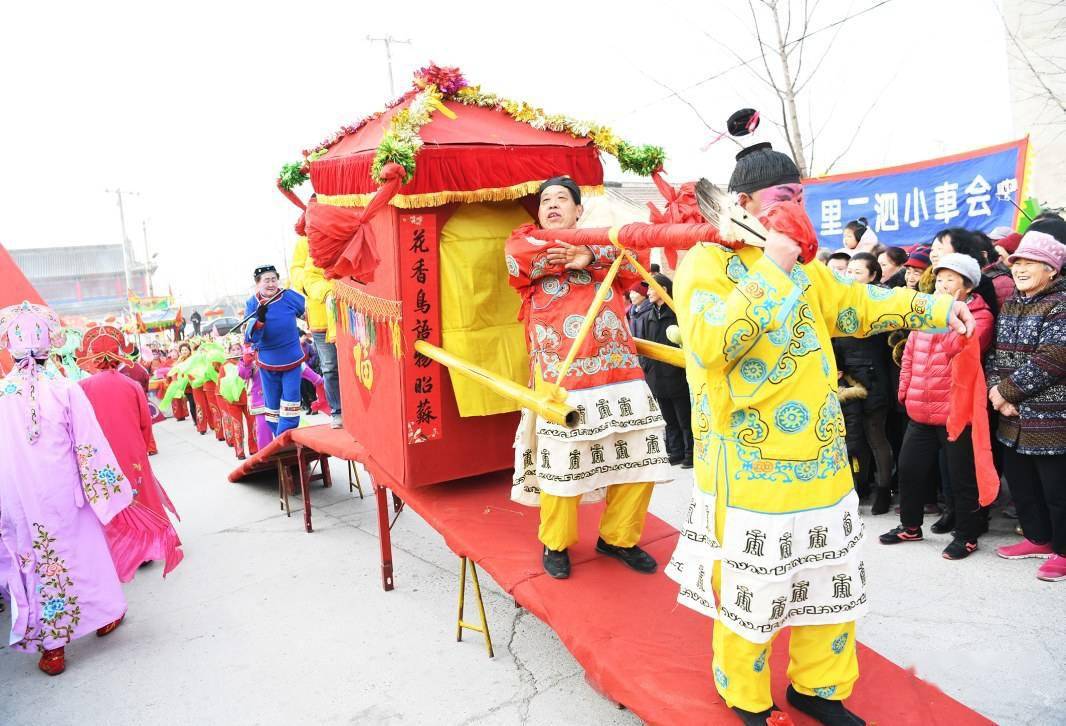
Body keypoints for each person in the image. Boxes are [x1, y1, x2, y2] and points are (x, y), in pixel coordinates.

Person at [663, 138, 975, 724]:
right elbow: (710, 346)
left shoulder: (809, 267)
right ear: (746, 202)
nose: (795, 208)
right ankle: (745, 693)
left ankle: (820, 687)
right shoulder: (705, 261)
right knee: (756, 582)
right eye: (784, 197)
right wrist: (771, 268)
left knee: (825, 580)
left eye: (801, 198)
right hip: (749, 462)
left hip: (821, 454)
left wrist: (933, 308)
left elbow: (856, 305)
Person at [506, 176, 672, 580]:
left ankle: (619, 537)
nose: (553, 205)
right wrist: (580, 254)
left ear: (580, 209)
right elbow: (518, 260)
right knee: (562, 459)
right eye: (546, 200)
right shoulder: (525, 239)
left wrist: (591, 257)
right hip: (560, 371)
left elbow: (634, 266)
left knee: (641, 451)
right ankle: (556, 541)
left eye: (562, 199)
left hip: (620, 368)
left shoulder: (604, 243)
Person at [0, 302, 132, 676]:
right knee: (83, 555)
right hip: (65, 494)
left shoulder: (1, 394)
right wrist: (104, 492)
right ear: (48, 345)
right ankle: (107, 614)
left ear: (10, 343)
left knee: (36, 565)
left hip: (18, 500)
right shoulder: (64, 388)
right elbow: (90, 445)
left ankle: (53, 648)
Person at [879, 254, 995, 559]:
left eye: (951, 280)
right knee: (909, 469)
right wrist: (904, 390)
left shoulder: (979, 316)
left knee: (961, 477)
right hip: (920, 408)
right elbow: (909, 355)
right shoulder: (927, 311)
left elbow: (954, 348)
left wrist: (948, 316)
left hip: (955, 412)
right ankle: (910, 526)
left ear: (967, 285)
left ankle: (968, 535)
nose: (942, 285)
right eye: (940, 279)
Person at [987, 230, 1066, 582]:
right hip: (1012, 417)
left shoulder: (1060, 304)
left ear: (1051, 269)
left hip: (1051, 417)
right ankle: (1038, 538)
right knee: (1023, 484)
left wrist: (1006, 392)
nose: (1019, 268)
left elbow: (1054, 357)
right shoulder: (1012, 303)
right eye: (1017, 261)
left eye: (1030, 262)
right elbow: (995, 355)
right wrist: (996, 393)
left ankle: (1063, 550)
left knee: (1057, 491)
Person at [75, 326, 184, 580]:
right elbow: (146, 422)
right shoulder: (130, 384)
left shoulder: (80, 388)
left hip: (100, 455)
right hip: (132, 449)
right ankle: (146, 549)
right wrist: (142, 446)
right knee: (140, 493)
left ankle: (120, 549)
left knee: (111, 498)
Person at [837, 253, 895, 511]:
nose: (851, 276)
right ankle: (858, 488)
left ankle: (883, 490)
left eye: (858, 272)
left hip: (873, 379)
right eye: (849, 271)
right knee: (852, 437)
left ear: (873, 276)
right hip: (845, 379)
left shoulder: (882, 302)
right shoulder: (838, 300)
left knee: (875, 436)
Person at [245, 265, 307, 438]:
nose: (271, 283)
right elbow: (251, 336)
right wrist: (260, 319)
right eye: (266, 280)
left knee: (291, 401)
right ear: (258, 284)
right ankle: (279, 437)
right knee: (271, 406)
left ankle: (284, 438)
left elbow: (306, 313)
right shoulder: (252, 304)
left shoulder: (288, 296)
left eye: (274, 279)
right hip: (267, 360)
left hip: (291, 357)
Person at [290, 230, 343, 429]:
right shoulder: (305, 241)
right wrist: (321, 290)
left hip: (351, 311)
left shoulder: (343, 230)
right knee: (330, 367)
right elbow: (297, 274)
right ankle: (337, 411)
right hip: (321, 313)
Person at [642, 273, 693, 468]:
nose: (647, 293)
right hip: (657, 376)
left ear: (664, 289)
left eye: (651, 288)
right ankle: (675, 451)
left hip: (677, 375)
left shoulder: (678, 313)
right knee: (668, 419)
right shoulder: (649, 316)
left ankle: (691, 453)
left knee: (684, 418)